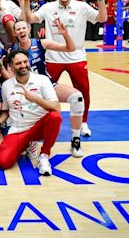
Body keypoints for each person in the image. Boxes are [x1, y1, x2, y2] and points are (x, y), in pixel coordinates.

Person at [20, 0, 107, 136]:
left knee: (83, 92)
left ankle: (83, 123)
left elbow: (102, 18)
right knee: (43, 92)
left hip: (77, 57)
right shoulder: (48, 7)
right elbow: (30, 19)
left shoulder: (82, 6)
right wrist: (26, 2)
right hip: (53, 58)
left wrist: (100, 0)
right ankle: (41, 122)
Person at [13, 20, 84, 157]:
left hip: (47, 85)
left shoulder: (40, 43)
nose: (21, 31)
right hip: (28, 89)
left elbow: (70, 48)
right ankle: (30, 138)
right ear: (15, 33)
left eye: (23, 28)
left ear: (28, 29)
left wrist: (65, 34)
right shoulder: (12, 50)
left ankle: (76, 139)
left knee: (77, 97)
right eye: (18, 29)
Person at [0, 49, 62, 175]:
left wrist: (35, 99)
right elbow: (6, 111)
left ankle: (44, 155)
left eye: (25, 62)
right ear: (11, 67)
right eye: (18, 63)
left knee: (55, 117)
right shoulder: (6, 85)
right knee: (3, 162)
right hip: (18, 129)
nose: (23, 65)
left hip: (38, 127)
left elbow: (56, 107)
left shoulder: (42, 80)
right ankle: (28, 144)